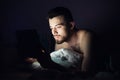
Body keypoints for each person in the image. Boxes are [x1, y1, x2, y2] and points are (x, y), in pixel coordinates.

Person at [47, 7, 98, 75]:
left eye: (58, 27)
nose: (54, 32)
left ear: (71, 25)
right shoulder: (59, 42)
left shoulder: (86, 36)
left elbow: (86, 71)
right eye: (51, 28)